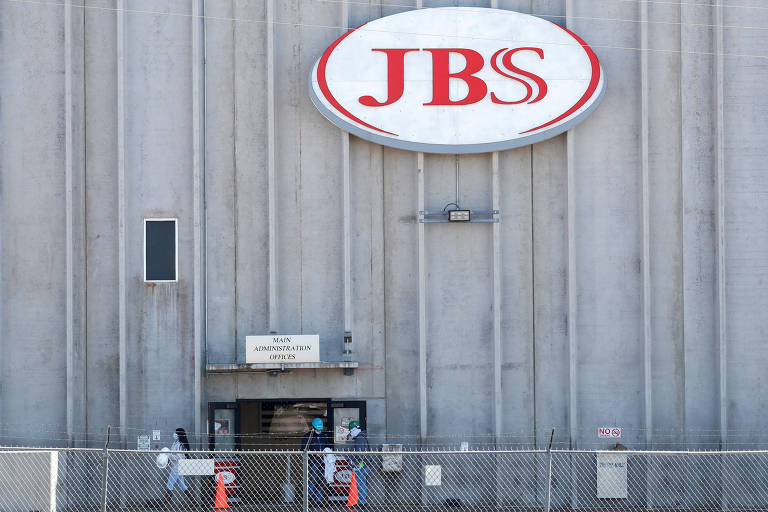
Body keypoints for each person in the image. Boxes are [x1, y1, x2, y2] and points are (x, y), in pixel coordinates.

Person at [302, 418, 329, 504]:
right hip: (313, 461)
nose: (319, 430)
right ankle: (310, 499)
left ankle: (319, 500)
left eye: (320, 429)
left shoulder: (323, 436)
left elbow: (327, 446)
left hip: (322, 461)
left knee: (320, 480)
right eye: (317, 429)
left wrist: (325, 452)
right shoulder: (307, 437)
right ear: (313, 427)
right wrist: (314, 453)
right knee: (313, 480)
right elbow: (303, 450)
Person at [165, 427, 193, 505]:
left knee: (169, 484)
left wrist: (168, 456)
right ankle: (194, 502)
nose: (174, 434)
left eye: (176, 433)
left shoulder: (181, 445)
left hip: (178, 467)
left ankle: (165, 504)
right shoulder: (176, 443)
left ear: (179, 435)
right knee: (182, 485)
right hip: (175, 466)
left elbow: (179, 456)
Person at [347, 420, 370, 508]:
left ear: (353, 430)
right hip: (365, 464)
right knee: (362, 484)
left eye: (351, 431)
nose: (351, 433)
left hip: (361, 465)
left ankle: (362, 503)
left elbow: (360, 453)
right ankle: (361, 501)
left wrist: (357, 464)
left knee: (361, 484)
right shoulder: (363, 436)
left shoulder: (359, 439)